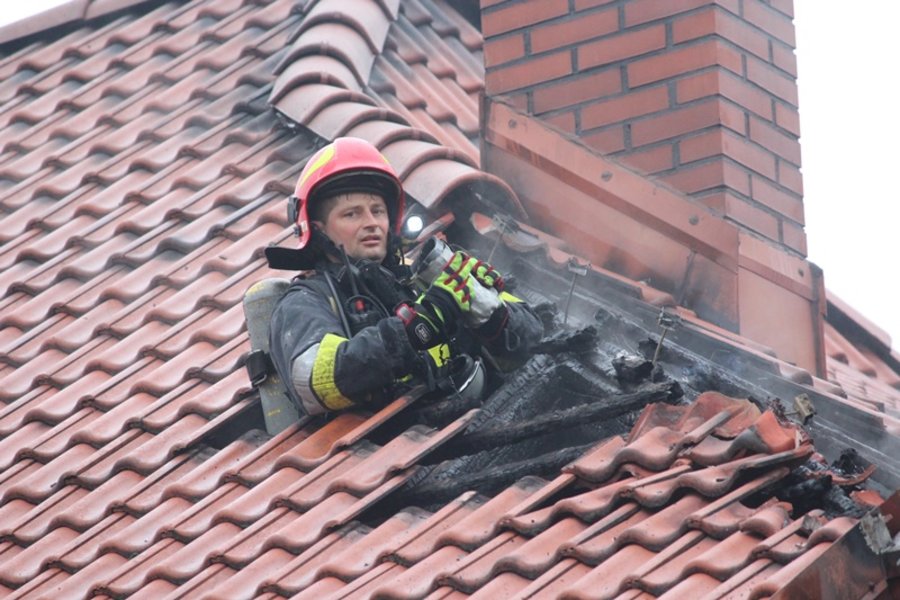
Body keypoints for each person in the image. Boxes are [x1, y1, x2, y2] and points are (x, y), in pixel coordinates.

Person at [264, 137, 542, 416]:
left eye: (377, 211)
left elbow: (535, 341)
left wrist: (492, 315)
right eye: (351, 214)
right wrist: (420, 325)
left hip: (483, 422)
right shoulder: (305, 301)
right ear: (318, 229)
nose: (371, 222)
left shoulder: (427, 277)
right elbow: (314, 381)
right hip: (390, 452)